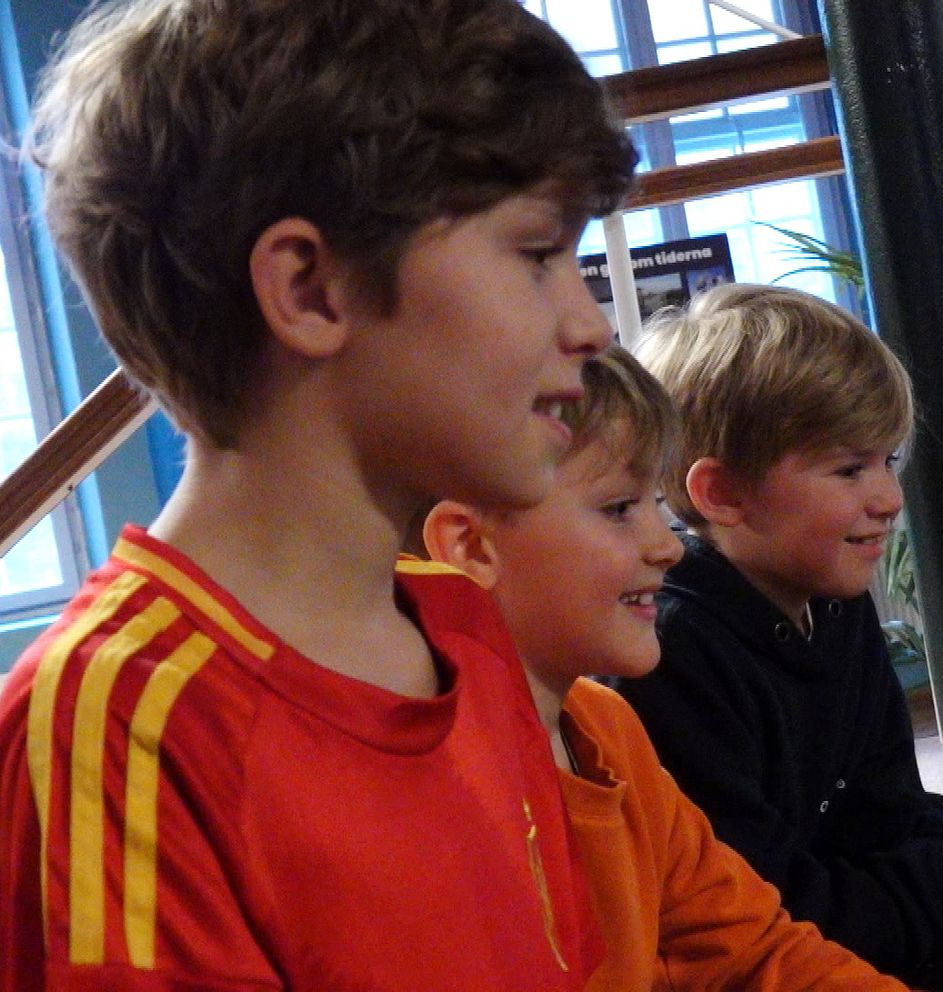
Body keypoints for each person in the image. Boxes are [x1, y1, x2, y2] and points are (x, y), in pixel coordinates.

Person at [0, 1, 640, 989]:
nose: (590, 324)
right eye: (537, 254)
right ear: (308, 289)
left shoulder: (467, 625)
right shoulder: (120, 721)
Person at [423, 343, 911, 991]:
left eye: (654, 501)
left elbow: (751, 949)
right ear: (470, 545)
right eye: (619, 509)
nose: (666, 547)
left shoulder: (606, 726)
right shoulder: (428, 789)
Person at [617, 283, 943, 988]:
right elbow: (771, 916)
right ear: (722, 493)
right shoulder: (670, 657)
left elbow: (889, 815)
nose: (889, 498)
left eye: (888, 462)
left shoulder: (837, 607)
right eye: (850, 469)